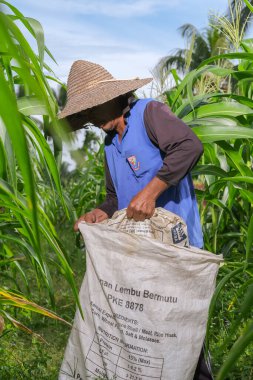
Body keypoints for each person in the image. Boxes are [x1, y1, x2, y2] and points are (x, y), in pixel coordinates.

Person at [58, 60, 213, 379]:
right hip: (139, 255)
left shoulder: (150, 113)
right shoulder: (109, 144)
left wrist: (152, 192)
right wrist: (100, 211)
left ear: (110, 98)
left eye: (91, 109)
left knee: (179, 338)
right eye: (84, 114)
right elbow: (114, 197)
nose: (89, 119)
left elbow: (189, 146)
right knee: (146, 340)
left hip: (174, 251)